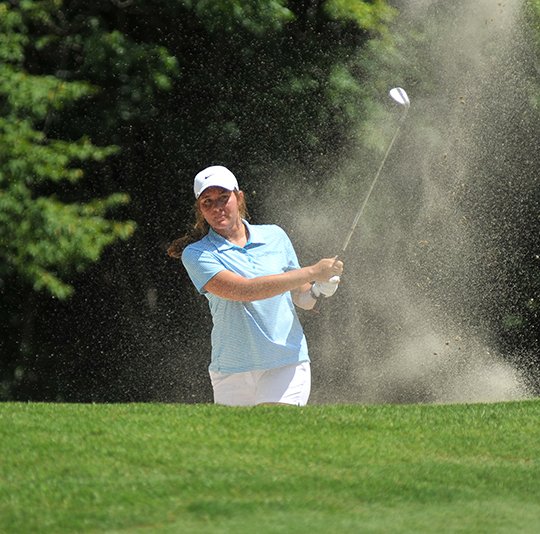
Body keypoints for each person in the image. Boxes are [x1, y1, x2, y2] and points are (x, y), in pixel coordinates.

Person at [168, 165, 343, 406]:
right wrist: (312, 272)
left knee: (276, 435)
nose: (217, 207)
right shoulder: (197, 254)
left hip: (286, 362)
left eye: (223, 197)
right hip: (230, 369)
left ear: (239, 198)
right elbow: (243, 291)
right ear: (200, 209)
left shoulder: (275, 236)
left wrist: (319, 288)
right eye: (207, 202)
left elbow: (302, 298)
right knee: (234, 444)